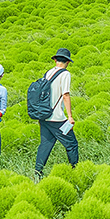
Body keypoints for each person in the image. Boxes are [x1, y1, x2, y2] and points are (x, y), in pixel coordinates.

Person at [34, 48, 78, 179]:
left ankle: (37, 173)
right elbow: (65, 94)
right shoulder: (65, 74)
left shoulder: (48, 73)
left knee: (45, 144)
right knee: (71, 144)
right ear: (68, 62)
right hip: (57, 118)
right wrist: (69, 116)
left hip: (44, 116)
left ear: (55, 60)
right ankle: (75, 171)